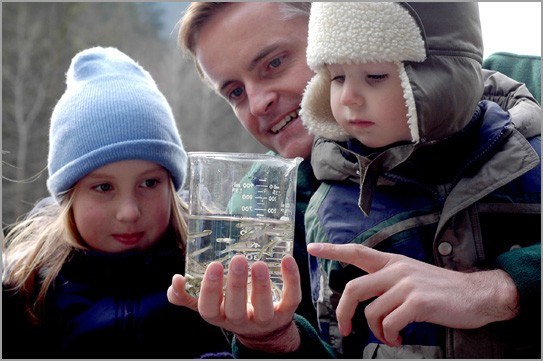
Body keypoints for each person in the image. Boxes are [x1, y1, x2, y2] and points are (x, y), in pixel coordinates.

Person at [168, 2, 541, 358]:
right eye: (235, 91)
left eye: (274, 63)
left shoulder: (530, 90)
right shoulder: (255, 213)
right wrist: (270, 340)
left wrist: (503, 288)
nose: (257, 101)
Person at [300, 2, 540, 358]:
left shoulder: (532, 161)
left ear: (442, 73)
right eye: (336, 77)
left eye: (375, 76)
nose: (347, 97)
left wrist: (516, 282)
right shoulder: (329, 208)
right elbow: (337, 341)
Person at [2, 46, 231, 358]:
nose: (129, 212)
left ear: (171, 187)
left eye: (149, 183)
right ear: (70, 195)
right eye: (104, 187)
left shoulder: (217, 276)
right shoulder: (26, 293)